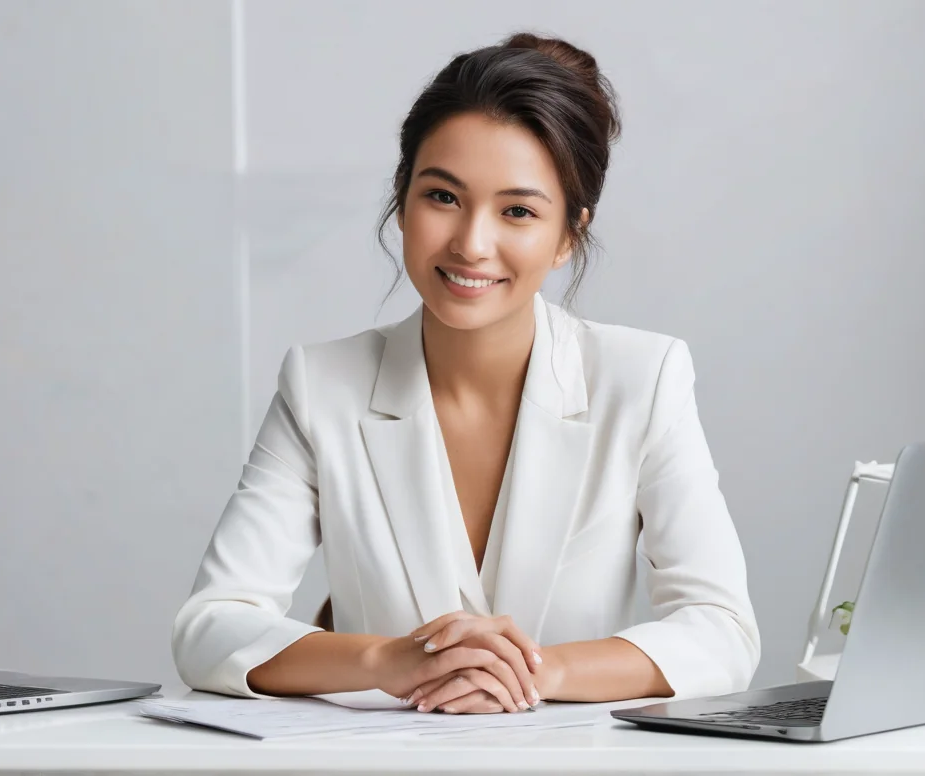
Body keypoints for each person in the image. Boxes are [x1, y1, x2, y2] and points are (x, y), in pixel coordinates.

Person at [172, 32, 760, 715]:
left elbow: (723, 632)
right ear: (402, 196)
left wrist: (537, 673)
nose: (472, 244)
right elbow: (210, 627)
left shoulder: (643, 377)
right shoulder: (320, 384)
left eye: (518, 211)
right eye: (443, 197)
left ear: (569, 234)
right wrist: (387, 659)